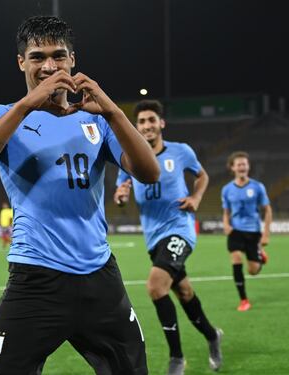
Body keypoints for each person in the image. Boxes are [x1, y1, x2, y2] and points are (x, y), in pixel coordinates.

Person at [0, 15, 160, 375]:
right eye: (37, 57)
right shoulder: (3, 115)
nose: (49, 66)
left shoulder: (97, 120)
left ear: (73, 60)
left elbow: (148, 172)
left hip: (100, 279)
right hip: (35, 279)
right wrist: (25, 106)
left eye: (58, 56)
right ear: (21, 62)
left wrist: (113, 112)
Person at [114, 100, 223, 375]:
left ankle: (176, 358)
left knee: (155, 285)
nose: (147, 125)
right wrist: (121, 196)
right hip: (154, 238)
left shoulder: (181, 151)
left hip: (180, 229)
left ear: (161, 123)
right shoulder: (129, 157)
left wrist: (197, 197)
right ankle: (212, 336)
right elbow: (121, 192)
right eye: (142, 122)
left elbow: (202, 176)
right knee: (184, 292)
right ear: (136, 127)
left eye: (152, 120)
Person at [221, 151, 272, 312]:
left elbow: (267, 210)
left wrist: (265, 234)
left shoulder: (258, 187)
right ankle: (244, 300)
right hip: (235, 231)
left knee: (253, 271)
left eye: (244, 164)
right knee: (235, 258)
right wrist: (226, 224)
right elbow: (226, 211)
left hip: (253, 232)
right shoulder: (227, 189)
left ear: (248, 167)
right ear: (232, 168)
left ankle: (260, 256)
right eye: (239, 164)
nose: (242, 167)